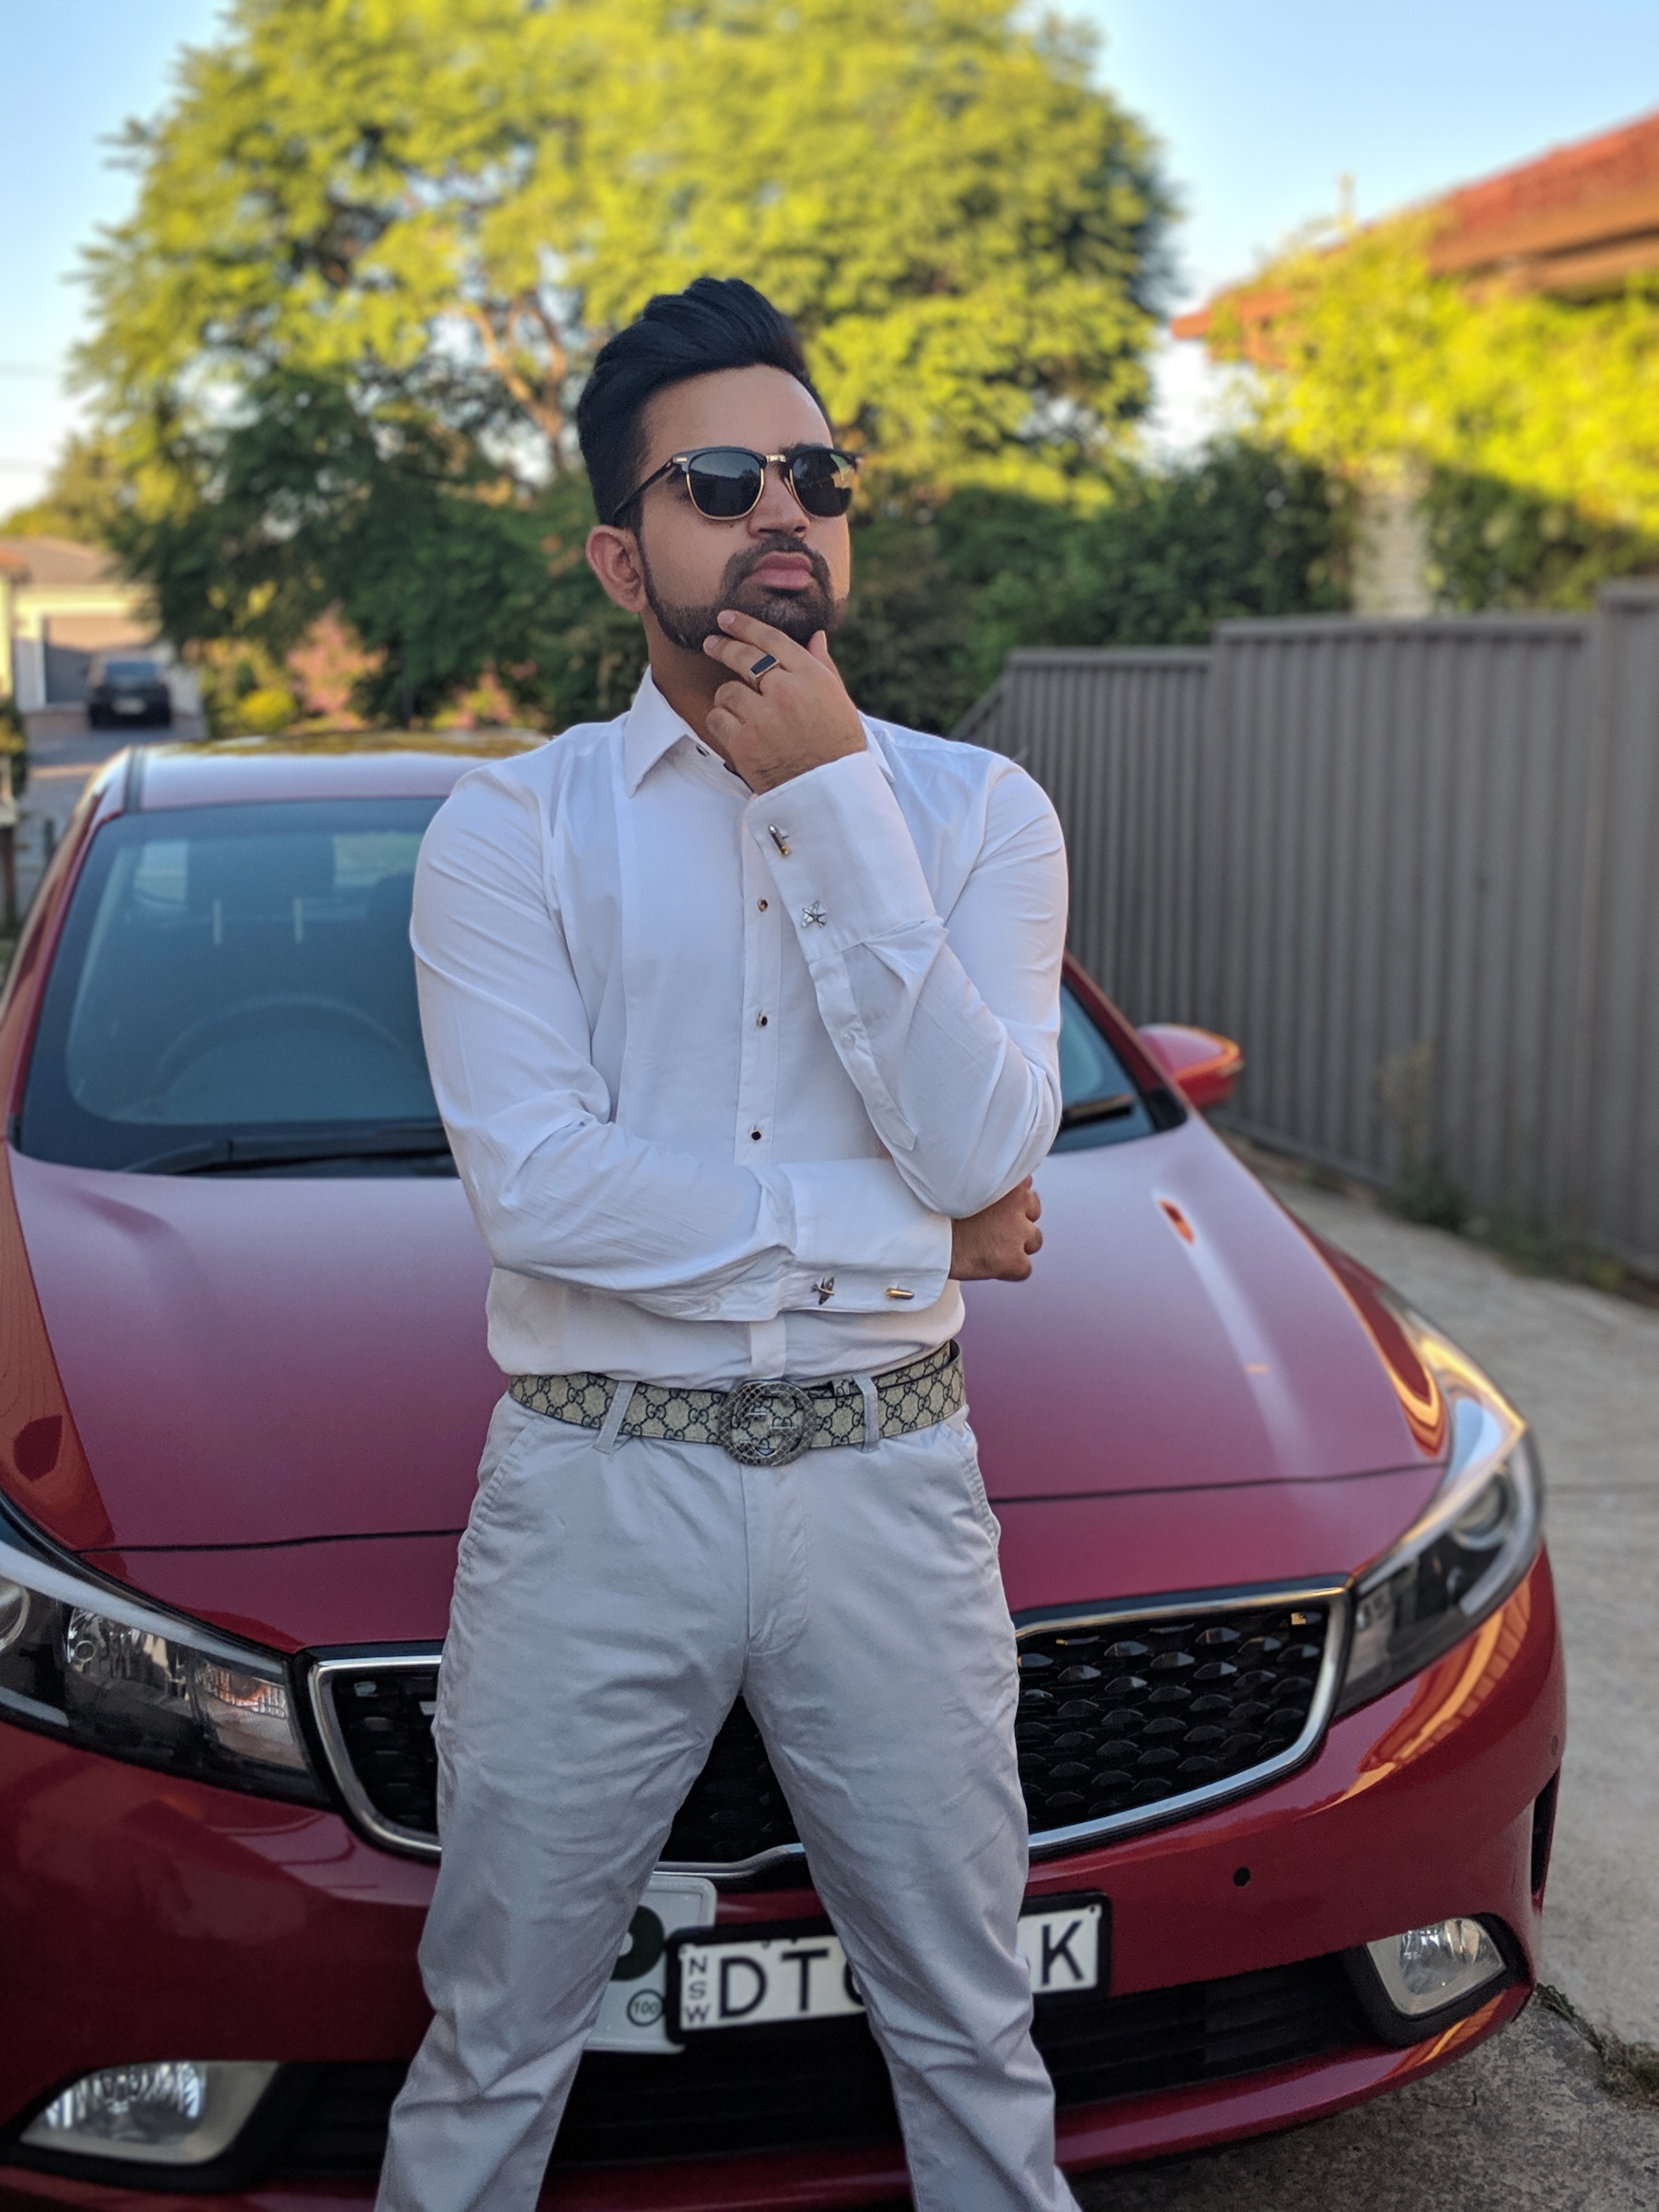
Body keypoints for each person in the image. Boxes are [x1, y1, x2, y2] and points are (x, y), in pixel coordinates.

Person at [378, 275, 1075, 2212]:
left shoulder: (978, 813)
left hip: (889, 1482)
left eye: (816, 476)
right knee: (497, 2031)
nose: (784, 509)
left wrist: (833, 798)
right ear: (624, 555)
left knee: (973, 2024)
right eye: (719, 481)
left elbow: (989, 1139)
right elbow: (544, 1193)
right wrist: (917, 1231)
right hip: (597, 1487)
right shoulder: (511, 831)